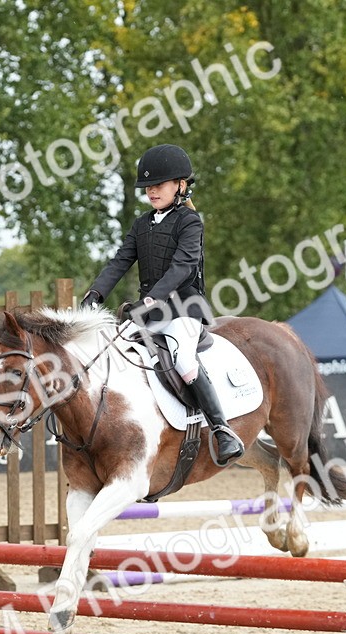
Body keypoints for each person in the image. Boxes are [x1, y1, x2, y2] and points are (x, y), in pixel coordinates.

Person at [80, 143, 244, 466]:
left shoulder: (190, 223)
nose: (151, 191)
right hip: (150, 311)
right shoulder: (142, 225)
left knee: (183, 359)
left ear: (180, 185)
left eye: (158, 185)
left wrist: (154, 295)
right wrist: (95, 293)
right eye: (147, 187)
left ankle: (221, 429)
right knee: (115, 350)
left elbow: (183, 267)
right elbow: (119, 262)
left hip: (184, 309)